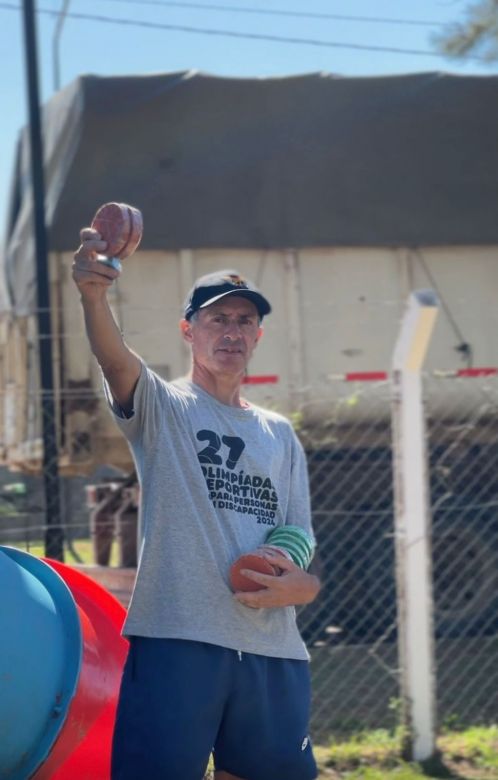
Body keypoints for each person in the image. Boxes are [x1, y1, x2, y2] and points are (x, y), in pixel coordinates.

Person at [73, 226, 320, 780]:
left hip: (272, 648)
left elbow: (298, 534)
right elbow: (116, 362)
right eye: (217, 318)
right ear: (189, 330)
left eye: (244, 321)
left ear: (258, 335)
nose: (232, 331)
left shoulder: (279, 433)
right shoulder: (165, 408)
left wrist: (300, 584)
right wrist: (93, 295)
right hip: (178, 642)